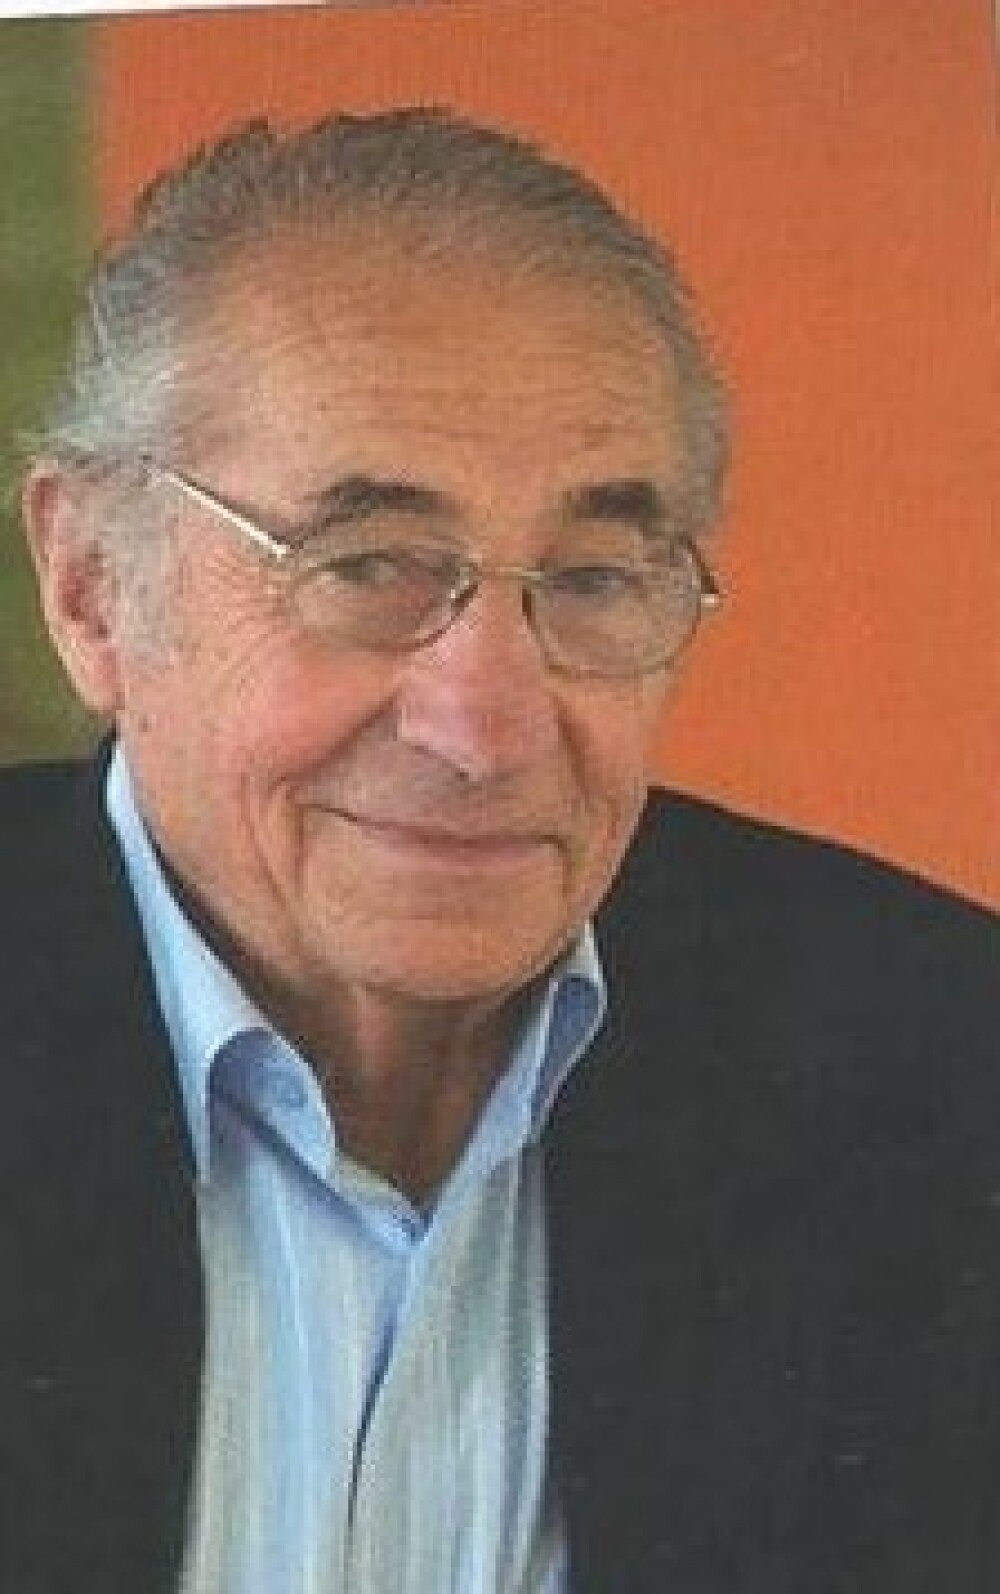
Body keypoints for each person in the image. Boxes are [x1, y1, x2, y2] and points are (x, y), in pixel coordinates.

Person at [1, 108, 995, 1594]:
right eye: (367, 566)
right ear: (91, 587)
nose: (484, 726)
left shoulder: (940, 1072)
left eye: (592, 579)